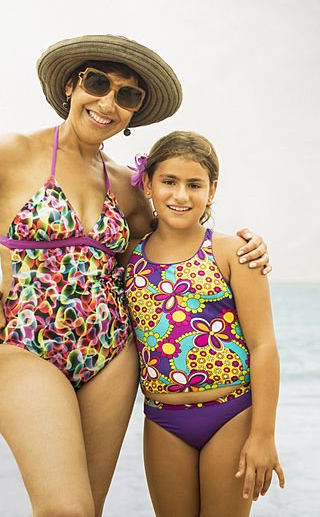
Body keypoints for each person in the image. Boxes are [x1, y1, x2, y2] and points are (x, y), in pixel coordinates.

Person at [0, 35, 271, 517]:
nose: (109, 102)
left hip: (112, 355)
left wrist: (247, 246)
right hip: (27, 345)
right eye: (98, 83)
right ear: (72, 86)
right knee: (64, 509)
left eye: (127, 95)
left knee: (89, 509)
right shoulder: (13, 153)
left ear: (134, 112)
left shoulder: (129, 189)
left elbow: (176, 245)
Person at [124, 131, 283, 517]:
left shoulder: (233, 252)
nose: (181, 195)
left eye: (194, 185)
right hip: (163, 420)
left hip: (231, 414)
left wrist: (263, 436)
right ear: (148, 184)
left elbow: (263, 345)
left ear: (212, 190)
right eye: (169, 182)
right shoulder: (128, 257)